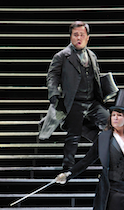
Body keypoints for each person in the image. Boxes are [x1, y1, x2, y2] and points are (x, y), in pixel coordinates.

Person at [40, 21, 111, 171]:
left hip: (92, 101)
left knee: (110, 122)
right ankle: (67, 168)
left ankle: (107, 153)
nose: (79, 38)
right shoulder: (62, 56)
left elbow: (96, 76)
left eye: (82, 35)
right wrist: (53, 94)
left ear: (87, 37)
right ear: (71, 37)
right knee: (73, 135)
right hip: (74, 101)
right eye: (75, 34)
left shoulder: (92, 55)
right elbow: (52, 76)